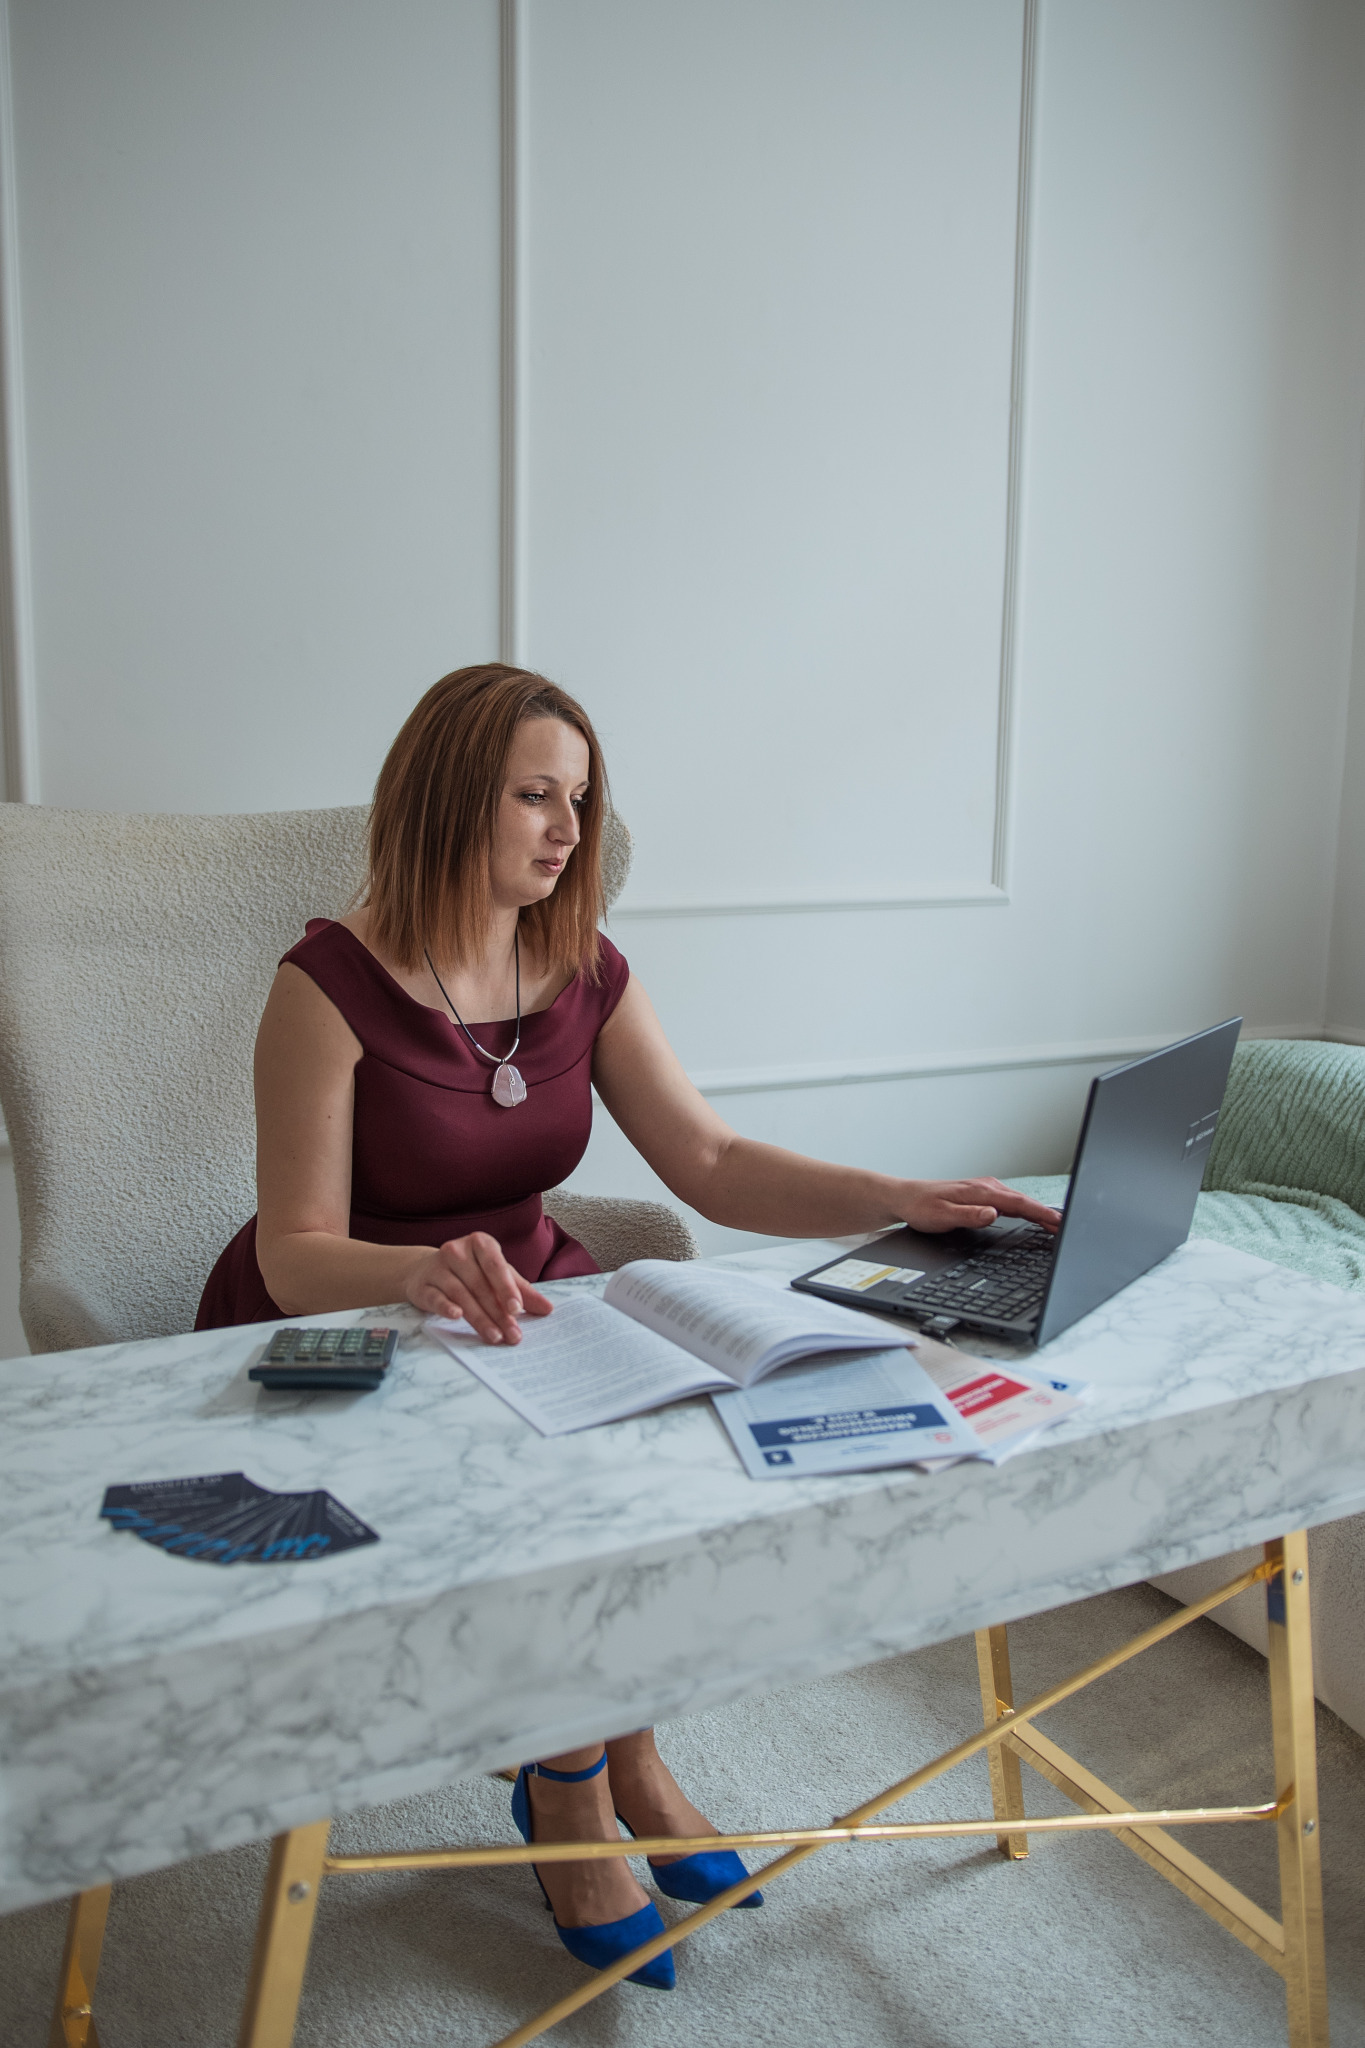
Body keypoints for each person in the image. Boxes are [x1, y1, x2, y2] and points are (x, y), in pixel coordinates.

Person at [197, 662, 1060, 1990]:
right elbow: (291, 1248)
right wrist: (418, 1273)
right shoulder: (322, 986)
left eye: (579, 800)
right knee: (541, 1504)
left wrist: (900, 1197)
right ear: (445, 802)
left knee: (663, 1474)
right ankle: (565, 1783)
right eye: (535, 796)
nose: (567, 829)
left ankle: (630, 1752)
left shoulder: (582, 966)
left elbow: (708, 1162)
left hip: (537, 1294)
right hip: (363, 1312)